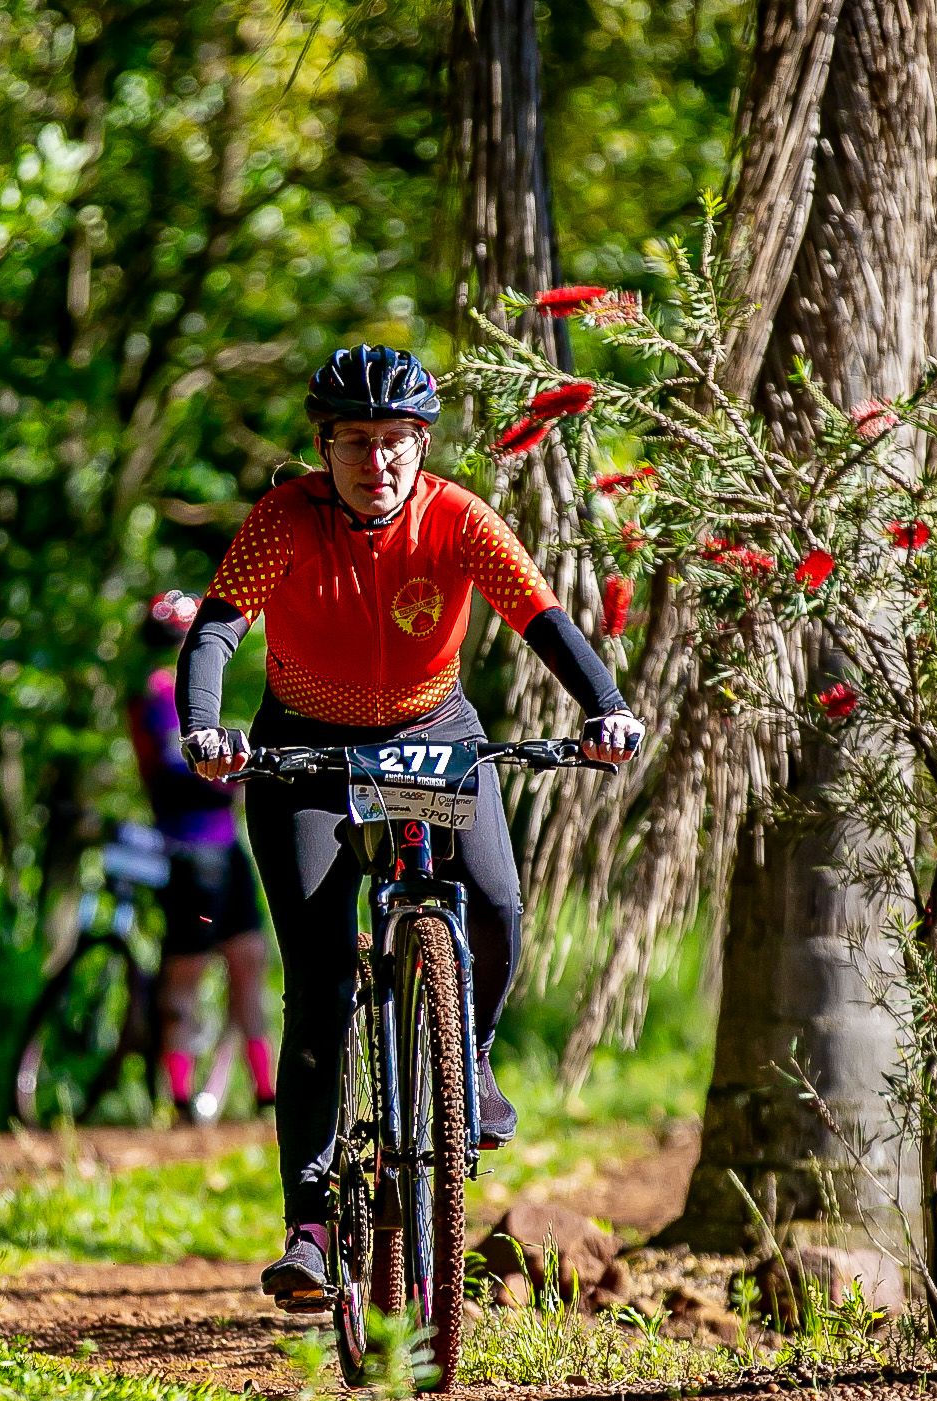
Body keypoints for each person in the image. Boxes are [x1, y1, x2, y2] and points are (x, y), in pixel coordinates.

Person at [176, 345, 642, 1310]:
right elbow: (217, 628)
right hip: (304, 750)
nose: (375, 460)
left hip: (432, 735)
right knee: (317, 983)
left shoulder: (457, 516)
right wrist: (204, 728)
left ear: (421, 446)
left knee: (496, 904)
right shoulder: (286, 518)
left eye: (394, 441)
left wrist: (606, 705)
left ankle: (467, 1059)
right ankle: (311, 1227)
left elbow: (541, 617)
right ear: (325, 448)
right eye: (354, 441)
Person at [130, 590, 276, 1118]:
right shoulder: (158, 695)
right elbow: (180, 770)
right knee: (187, 977)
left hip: (223, 851)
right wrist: (236, 775)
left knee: (247, 963)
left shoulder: (165, 693)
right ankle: (181, 1096)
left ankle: (264, 1091)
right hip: (191, 854)